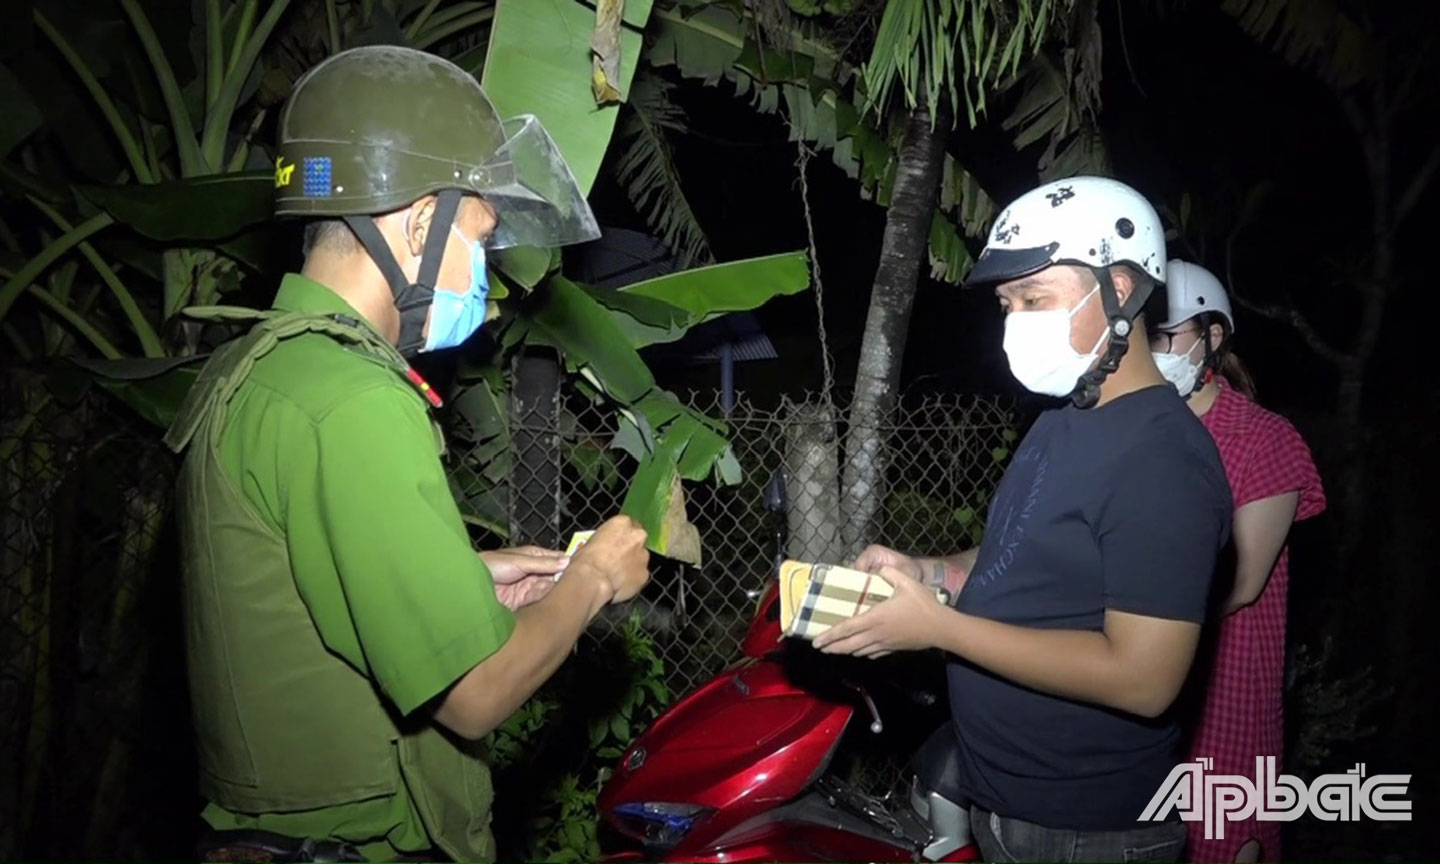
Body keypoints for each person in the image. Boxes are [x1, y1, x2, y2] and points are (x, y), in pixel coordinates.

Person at [162, 46, 651, 862]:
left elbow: (302, 578)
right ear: (421, 223)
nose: (487, 281)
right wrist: (596, 576)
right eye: (480, 237)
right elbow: (476, 695)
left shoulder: (264, 367)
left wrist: (467, 575)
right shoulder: (354, 400)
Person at [811, 176, 1234, 862]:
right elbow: (1020, 552)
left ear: (1120, 290)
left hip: (1087, 830)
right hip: (1004, 798)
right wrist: (930, 571)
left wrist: (940, 628)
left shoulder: (1163, 461)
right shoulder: (1066, 416)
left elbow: (1144, 678)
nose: (1016, 322)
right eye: (1009, 304)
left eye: (1036, 299)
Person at [1152, 259, 1326, 863]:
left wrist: (1141, 626)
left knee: (1223, 842)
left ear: (1213, 336)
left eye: (1165, 335)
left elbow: (1244, 580)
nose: (1153, 350)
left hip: (1225, 677)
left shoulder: (1264, 438)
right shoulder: (1140, 432)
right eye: (1144, 335)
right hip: (1134, 676)